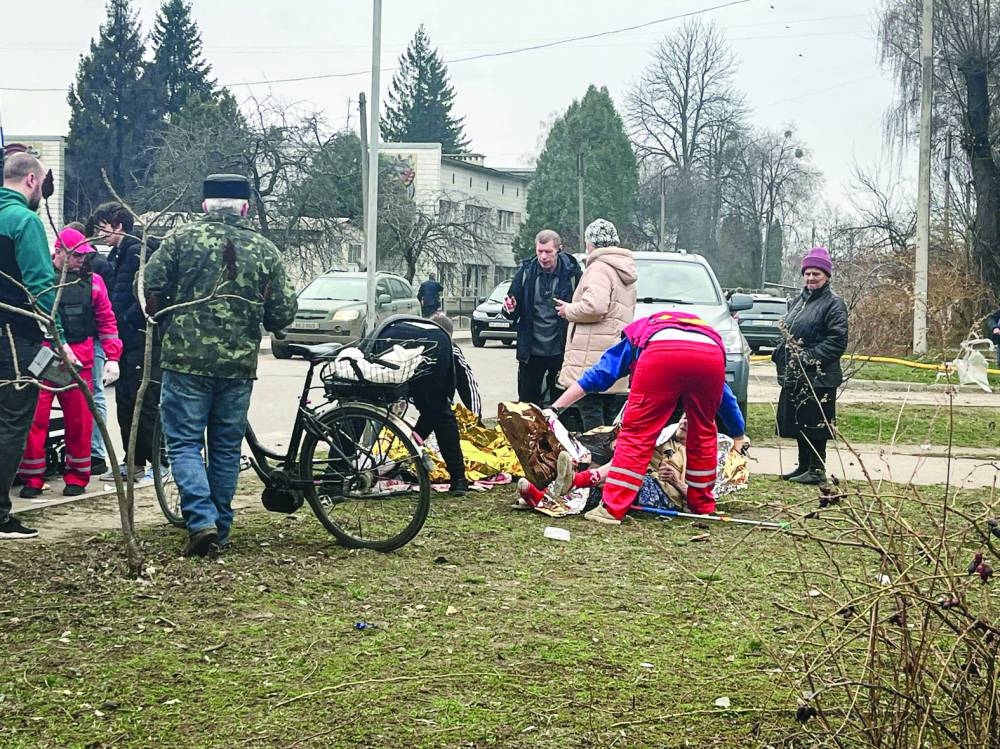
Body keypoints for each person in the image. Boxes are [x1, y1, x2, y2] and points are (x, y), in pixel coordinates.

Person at [144, 174, 297, 557]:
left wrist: (167, 316)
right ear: (245, 208)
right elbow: (282, 312)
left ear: (203, 206)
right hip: (237, 366)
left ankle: (201, 521)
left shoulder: (180, 239)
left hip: (184, 361)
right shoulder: (264, 250)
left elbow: (152, 283)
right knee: (226, 448)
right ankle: (221, 529)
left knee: (184, 444)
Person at [547, 310, 728, 525]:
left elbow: (597, 376)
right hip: (712, 354)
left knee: (637, 436)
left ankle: (611, 508)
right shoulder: (701, 335)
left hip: (661, 354)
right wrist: (737, 434)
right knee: (704, 432)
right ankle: (701, 506)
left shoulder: (641, 333)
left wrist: (555, 409)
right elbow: (726, 396)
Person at [17, 228, 121, 498]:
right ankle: (33, 478)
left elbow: (106, 319)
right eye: (76, 256)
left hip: (80, 356)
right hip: (44, 356)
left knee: (80, 421)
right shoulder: (39, 279)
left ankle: (77, 476)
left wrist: (112, 356)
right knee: (34, 419)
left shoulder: (94, 282)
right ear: (58, 251)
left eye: (83, 256)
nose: (80, 261)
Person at [0, 152, 66, 538]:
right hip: (14, 339)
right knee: (11, 423)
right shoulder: (24, 221)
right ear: (31, 180)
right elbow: (41, 285)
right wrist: (58, 337)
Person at [93, 201, 162, 481]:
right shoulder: (117, 254)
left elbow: (145, 296)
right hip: (123, 341)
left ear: (118, 225)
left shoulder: (137, 253)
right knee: (125, 402)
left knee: (143, 403)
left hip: (139, 340)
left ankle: (158, 461)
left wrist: (128, 321)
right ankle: (133, 462)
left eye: (103, 227)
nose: (100, 234)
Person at [771, 247, 849, 485]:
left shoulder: (834, 303)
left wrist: (808, 357)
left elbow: (837, 340)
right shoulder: (799, 300)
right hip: (797, 374)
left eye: (816, 274)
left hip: (819, 376)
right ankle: (804, 465)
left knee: (815, 424)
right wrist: (780, 352)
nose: (811, 278)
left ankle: (816, 468)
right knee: (799, 421)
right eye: (807, 273)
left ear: (826, 276)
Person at [370, 314, 470, 495]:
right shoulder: (444, 342)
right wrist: (418, 436)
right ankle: (459, 480)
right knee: (442, 414)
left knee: (365, 404)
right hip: (429, 358)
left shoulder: (398, 327)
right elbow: (455, 390)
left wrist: (416, 436)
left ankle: (335, 477)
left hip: (387, 346)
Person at [555, 218, 636, 431]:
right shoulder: (623, 270)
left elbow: (595, 307)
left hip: (591, 356)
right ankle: (610, 451)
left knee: (591, 412)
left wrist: (568, 310)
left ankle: (596, 450)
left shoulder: (599, 268)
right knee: (608, 414)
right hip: (612, 354)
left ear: (591, 243)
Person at [503, 229, 582, 406]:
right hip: (531, 352)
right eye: (540, 251)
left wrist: (570, 310)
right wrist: (509, 308)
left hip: (561, 351)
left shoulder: (572, 274)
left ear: (559, 250)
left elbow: (583, 307)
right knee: (527, 406)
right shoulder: (526, 272)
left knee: (561, 405)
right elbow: (511, 305)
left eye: (548, 252)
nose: (543, 257)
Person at [65, 220, 113, 475]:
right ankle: (91, 454)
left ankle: (94, 453)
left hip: (89, 342)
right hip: (75, 342)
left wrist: (111, 352)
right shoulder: (53, 274)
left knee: (92, 399)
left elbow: (107, 311)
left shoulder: (97, 270)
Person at [428, 311, 482, 420]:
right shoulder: (420, 349)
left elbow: (466, 383)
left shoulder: (453, 352)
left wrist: (475, 417)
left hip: (440, 403)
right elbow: (468, 382)